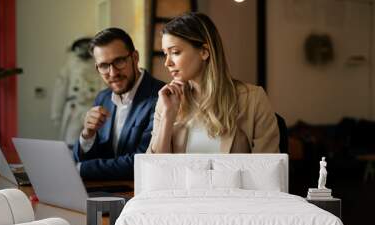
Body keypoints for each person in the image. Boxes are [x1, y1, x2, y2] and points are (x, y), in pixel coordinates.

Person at [147, 12, 279, 154]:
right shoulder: (166, 101)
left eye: (175, 52)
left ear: (204, 51)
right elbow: (155, 170)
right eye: (165, 54)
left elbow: (267, 169)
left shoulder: (253, 99)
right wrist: (168, 115)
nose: (167, 63)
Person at [73, 28, 165, 180]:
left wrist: (80, 169)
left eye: (119, 61)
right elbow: (92, 156)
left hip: (140, 194)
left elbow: (142, 162)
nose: (113, 73)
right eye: (103, 66)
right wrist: (88, 135)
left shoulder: (161, 97)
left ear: (135, 57)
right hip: (105, 191)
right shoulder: (102, 98)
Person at [51, 37, 105, 146]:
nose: (84, 50)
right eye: (81, 47)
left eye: (87, 46)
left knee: (90, 142)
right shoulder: (70, 65)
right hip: (74, 108)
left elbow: (104, 88)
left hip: (92, 108)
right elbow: (60, 89)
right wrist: (56, 113)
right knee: (71, 141)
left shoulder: (99, 64)